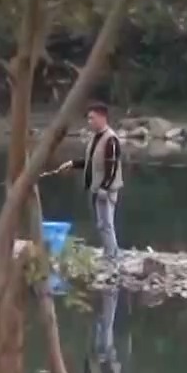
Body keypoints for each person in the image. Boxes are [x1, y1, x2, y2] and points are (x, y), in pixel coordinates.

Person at [56, 102, 124, 259]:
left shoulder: (111, 139)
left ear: (102, 117)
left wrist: (105, 187)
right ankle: (110, 252)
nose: (89, 122)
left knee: (107, 223)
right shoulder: (95, 137)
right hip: (95, 188)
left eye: (92, 118)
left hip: (106, 190)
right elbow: (91, 161)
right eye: (88, 118)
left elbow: (112, 167)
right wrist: (73, 164)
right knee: (101, 224)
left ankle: (112, 255)